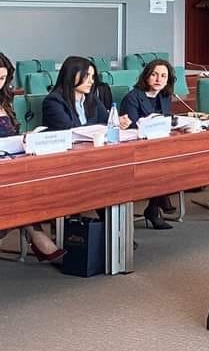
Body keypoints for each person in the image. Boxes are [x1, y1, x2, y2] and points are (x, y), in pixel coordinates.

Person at [0, 51, 65, 262]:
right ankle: (36, 235)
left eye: (2, 78)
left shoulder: (4, 102)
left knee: (34, 183)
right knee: (21, 191)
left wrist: (25, 138)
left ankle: (33, 232)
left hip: (10, 165)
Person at [120, 59, 178, 230]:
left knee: (175, 158)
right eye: (154, 75)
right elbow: (132, 127)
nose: (159, 79)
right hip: (137, 148)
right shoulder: (133, 97)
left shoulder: (164, 96)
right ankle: (157, 204)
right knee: (163, 163)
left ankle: (155, 206)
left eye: (163, 76)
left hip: (159, 145)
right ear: (146, 76)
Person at [43, 55, 126, 130]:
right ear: (71, 75)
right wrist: (97, 127)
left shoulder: (92, 99)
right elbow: (69, 129)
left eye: (92, 77)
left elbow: (107, 121)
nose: (91, 81)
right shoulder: (53, 101)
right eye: (86, 76)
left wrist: (118, 121)